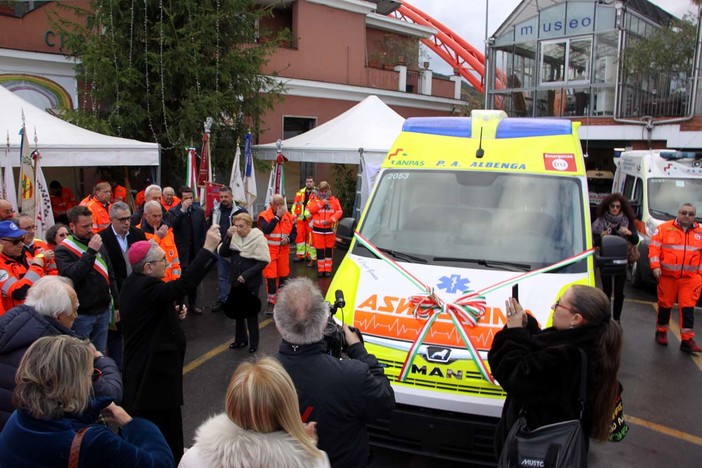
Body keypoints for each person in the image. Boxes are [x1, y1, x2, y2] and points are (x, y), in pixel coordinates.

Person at [119, 226, 221, 463]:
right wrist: (207, 249)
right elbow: (182, 285)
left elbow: (153, 309)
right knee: (160, 424)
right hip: (152, 374)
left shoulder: (136, 283)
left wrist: (172, 313)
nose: (166, 263)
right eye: (162, 260)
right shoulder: (146, 287)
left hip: (153, 369)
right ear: (147, 267)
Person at [488, 285, 623, 460]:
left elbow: (513, 374)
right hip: (561, 451)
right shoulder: (594, 345)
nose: (553, 307)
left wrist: (513, 333)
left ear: (575, 318)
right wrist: (527, 326)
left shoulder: (565, 358)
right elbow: (543, 352)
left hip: (538, 453)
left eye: (559, 304)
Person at [0, 335, 175, 468]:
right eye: (91, 375)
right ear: (74, 383)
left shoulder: (18, 418)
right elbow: (161, 463)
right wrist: (130, 422)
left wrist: (84, 412)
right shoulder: (93, 441)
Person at [274, 277, 395, 468]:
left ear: (278, 324)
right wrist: (358, 350)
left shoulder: (258, 377)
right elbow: (385, 402)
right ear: (324, 323)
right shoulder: (351, 376)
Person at [0, 276, 122, 430]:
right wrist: (100, 358)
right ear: (58, 315)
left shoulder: (8, 327)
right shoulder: (61, 353)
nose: (76, 316)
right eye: (74, 310)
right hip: (42, 435)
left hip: (12, 434)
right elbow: (109, 393)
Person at [179, 357, 330, 468]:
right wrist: (307, 446)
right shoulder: (316, 462)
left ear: (232, 403)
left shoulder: (195, 458)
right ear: (288, 406)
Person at [55, 206, 119, 354]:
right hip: (82, 314)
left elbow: (110, 274)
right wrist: (90, 252)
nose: (90, 229)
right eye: (85, 226)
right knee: (81, 356)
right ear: (72, 226)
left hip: (103, 310)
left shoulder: (96, 241)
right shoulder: (64, 249)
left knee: (99, 353)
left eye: (91, 224)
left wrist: (116, 304)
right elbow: (72, 275)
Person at [99, 201, 147, 367]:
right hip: (116, 294)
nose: (127, 222)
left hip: (138, 293)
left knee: (137, 332)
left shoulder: (138, 234)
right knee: (115, 336)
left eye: (128, 218)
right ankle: (117, 368)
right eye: (122, 219)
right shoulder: (102, 239)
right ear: (111, 219)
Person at [650, 202, 702, 353]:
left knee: (688, 308)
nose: (687, 216)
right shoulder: (663, 229)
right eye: (684, 213)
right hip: (667, 276)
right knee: (665, 305)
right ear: (678, 213)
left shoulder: (700, 233)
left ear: (694, 216)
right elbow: (654, 248)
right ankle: (661, 332)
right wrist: (656, 267)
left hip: (690, 279)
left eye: (690, 214)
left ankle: (687, 340)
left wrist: (699, 276)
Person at [219, 212, 269, 352]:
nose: (238, 229)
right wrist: (228, 236)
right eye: (236, 226)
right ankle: (240, 340)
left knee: (251, 313)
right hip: (236, 281)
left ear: (248, 225)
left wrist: (246, 275)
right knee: (238, 312)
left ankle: (254, 343)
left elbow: (263, 262)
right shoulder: (234, 236)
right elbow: (223, 253)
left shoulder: (258, 239)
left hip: (251, 282)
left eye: (241, 226)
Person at [592, 193, 639, 322]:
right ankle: (606, 319)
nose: (615, 209)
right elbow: (592, 241)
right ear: (607, 207)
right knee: (606, 292)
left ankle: (617, 319)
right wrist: (600, 236)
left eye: (618, 206)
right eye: (612, 206)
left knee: (619, 292)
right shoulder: (600, 221)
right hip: (606, 260)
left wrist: (628, 232)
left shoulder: (627, 221)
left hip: (621, 261)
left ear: (622, 208)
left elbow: (635, 240)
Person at [170, 186, 206, 314]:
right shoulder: (174, 211)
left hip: (195, 250)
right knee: (181, 279)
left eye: (191, 198)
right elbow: (172, 225)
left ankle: (193, 303)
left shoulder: (199, 212)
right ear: (181, 199)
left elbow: (203, 231)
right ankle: (180, 305)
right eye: (186, 198)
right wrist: (183, 210)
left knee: (193, 279)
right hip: (181, 252)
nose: (189, 201)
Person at [210, 186, 245, 312]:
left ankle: (237, 300)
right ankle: (223, 300)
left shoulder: (240, 211)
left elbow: (247, 229)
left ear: (231, 196)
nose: (223, 199)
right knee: (222, 276)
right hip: (221, 248)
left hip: (237, 249)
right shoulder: (215, 210)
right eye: (221, 197)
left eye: (226, 196)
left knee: (238, 277)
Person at [259, 194, 296, 309]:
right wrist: (276, 218)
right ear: (271, 205)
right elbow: (266, 229)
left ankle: (281, 300)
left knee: (283, 276)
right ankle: (271, 301)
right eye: (277, 204)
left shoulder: (289, 216)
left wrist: (289, 239)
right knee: (271, 277)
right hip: (269, 252)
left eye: (281, 203)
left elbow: (294, 233)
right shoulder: (264, 216)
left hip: (284, 252)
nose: (280, 206)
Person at [0, 221, 46, 312]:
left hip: (33, 314)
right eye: (15, 241)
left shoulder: (25, 255)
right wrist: (37, 266)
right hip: (11, 320)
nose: (21, 245)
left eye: (22, 239)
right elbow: (19, 292)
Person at [138, 200, 182, 282]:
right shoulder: (138, 232)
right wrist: (157, 237)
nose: (158, 219)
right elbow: (143, 258)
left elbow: (175, 262)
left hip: (170, 284)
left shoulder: (168, 232)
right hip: (151, 285)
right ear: (145, 215)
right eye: (154, 216)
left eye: (160, 216)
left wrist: (175, 282)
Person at [306, 181, 342, 277]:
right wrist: (322, 203)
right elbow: (311, 210)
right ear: (319, 191)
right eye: (321, 191)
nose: (323, 193)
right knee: (320, 250)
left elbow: (339, 212)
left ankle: (328, 269)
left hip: (329, 229)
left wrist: (330, 220)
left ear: (328, 190)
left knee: (329, 250)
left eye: (325, 191)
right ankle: (321, 269)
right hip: (318, 230)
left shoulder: (334, 200)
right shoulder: (315, 200)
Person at [291, 176, 317, 265]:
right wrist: (294, 217)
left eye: (310, 181)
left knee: (310, 239)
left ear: (314, 183)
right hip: (300, 220)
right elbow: (294, 206)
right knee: (300, 238)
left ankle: (310, 256)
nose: (308, 183)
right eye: (307, 181)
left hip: (311, 220)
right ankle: (300, 255)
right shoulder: (299, 193)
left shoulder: (317, 194)